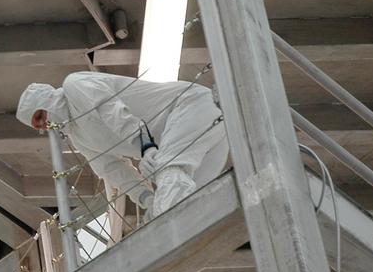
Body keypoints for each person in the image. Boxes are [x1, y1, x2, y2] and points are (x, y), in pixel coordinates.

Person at [16, 72, 229, 218]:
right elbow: (112, 170)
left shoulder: (75, 85)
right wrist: (147, 199)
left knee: (169, 178)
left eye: (40, 115)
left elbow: (113, 111)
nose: (44, 125)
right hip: (210, 132)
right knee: (191, 204)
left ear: (47, 99)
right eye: (38, 126)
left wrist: (146, 146)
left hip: (189, 107)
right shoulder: (79, 137)